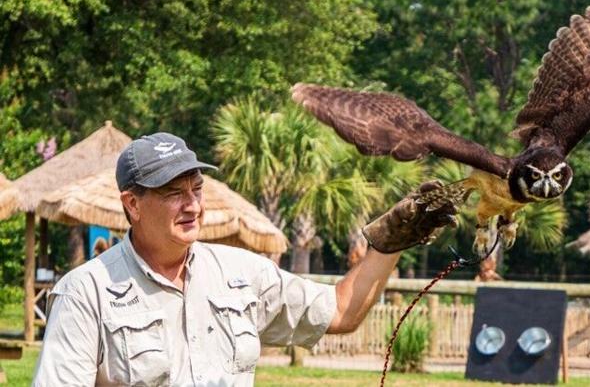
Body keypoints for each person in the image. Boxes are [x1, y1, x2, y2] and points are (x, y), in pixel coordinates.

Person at [33, 132, 455, 386]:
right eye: (172, 193)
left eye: (195, 189)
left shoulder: (240, 273)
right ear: (133, 204)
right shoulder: (86, 292)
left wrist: (389, 242)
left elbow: (342, 310)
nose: (192, 205)